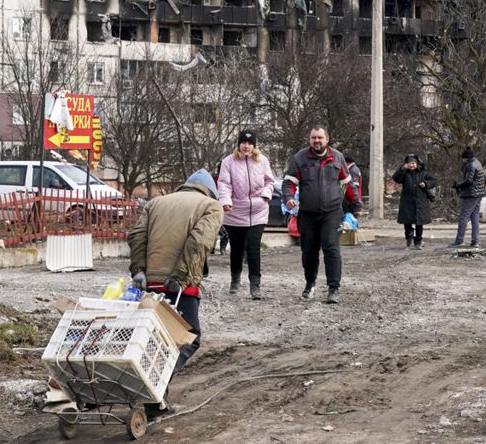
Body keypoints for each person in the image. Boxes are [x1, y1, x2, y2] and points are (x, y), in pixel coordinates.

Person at [128, 169, 223, 418]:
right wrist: (181, 277)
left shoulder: (156, 202)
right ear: (210, 190)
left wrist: (139, 270)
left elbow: (137, 235)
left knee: (157, 340)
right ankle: (151, 382)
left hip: (150, 283)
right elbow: (199, 242)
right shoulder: (211, 206)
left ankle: (156, 404)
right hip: (179, 284)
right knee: (188, 337)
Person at [282, 126, 361, 305]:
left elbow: (347, 184)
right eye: (313, 138)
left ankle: (334, 288)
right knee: (308, 251)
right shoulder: (300, 158)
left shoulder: (337, 157)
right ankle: (310, 283)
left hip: (332, 211)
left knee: (331, 248)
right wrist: (288, 198)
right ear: (309, 140)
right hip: (308, 213)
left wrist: (355, 204)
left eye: (320, 138)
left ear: (327, 139)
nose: (317, 141)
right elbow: (289, 183)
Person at [217, 130, 274, 300]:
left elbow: (270, 181)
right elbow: (224, 183)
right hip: (235, 210)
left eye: (250, 143)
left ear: (254, 145)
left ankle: (255, 285)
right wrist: (225, 201)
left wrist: (265, 194)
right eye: (244, 142)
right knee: (237, 247)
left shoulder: (262, 161)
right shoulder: (228, 162)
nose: (247, 146)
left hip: (258, 209)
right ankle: (235, 279)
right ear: (239, 144)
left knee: (253, 247)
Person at [393, 154, 437, 249]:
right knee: (407, 222)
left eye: (413, 163)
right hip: (407, 201)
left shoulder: (423, 173)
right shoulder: (404, 173)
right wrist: (402, 169)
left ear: (416, 164)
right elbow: (396, 178)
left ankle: (418, 241)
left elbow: (433, 181)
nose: (411, 165)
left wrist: (426, 184)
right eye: (409, 163)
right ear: (406, 164)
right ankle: (409, 238)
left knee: (419, 223)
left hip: (420, 202)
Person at [450, 147, 484, 247]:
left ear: (466, 158)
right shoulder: (477, 162)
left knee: (463, 217)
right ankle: (475, 241)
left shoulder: (471, 165)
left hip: (471, 194)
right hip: (478, 194)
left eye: (463, 158)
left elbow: (469, 181)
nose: (462, 160)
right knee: (475, 217)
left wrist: (458, 185)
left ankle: (459, 240)